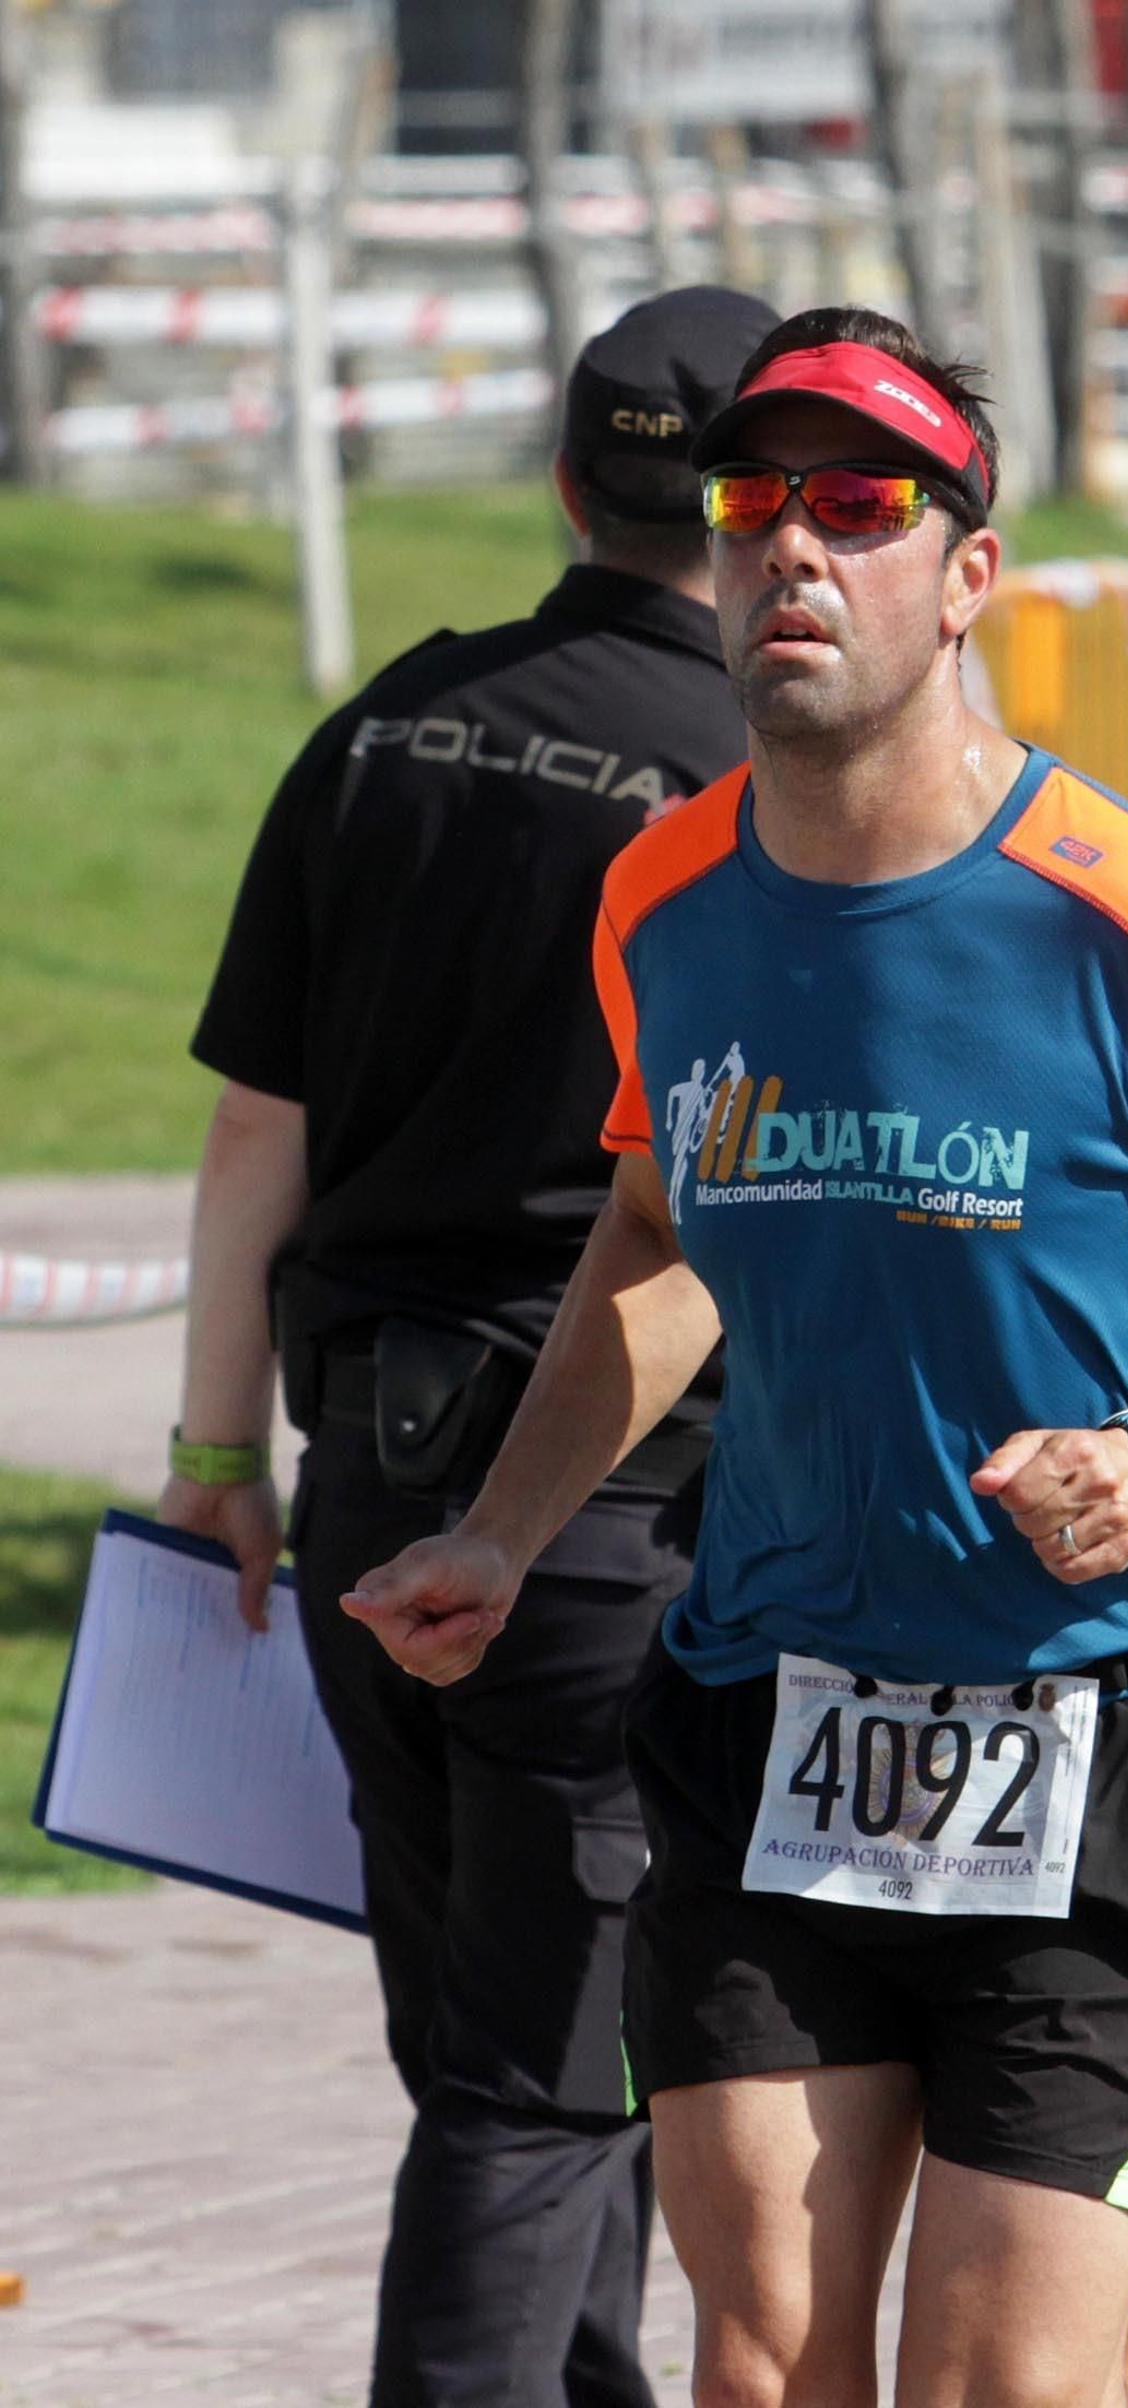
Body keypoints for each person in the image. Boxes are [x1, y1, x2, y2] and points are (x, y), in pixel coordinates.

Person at [342, 307, 1128, 2408]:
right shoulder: (662, 903)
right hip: (766, 1704)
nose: (793, 547)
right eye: (750, 503)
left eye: (861, 504)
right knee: (768, 2367)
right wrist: (508, 1534)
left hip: (1088, 1730)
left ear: (966, 575)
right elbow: (653, 1217)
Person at [156, 283, 780, 2408]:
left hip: (367, 1484)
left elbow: (258, 1124)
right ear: (763, 507)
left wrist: (216, 1459)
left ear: (557, 476)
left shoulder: (388, 722)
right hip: (603, 1512)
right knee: (538, 2089)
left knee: (508, 2068)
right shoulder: (744, 782)